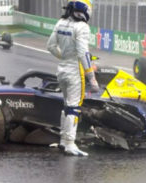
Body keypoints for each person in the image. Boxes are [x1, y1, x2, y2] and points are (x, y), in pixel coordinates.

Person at [47, 0, 99, 156]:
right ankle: (70, 143)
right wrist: (92, 77)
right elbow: (83, 53)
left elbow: (50, 46)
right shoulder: (82, 27)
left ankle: (63, 141)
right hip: (75, 70)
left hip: (62, 69)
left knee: (66, 105)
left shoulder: (60, 23)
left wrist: (64, 57)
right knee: (74, 107)